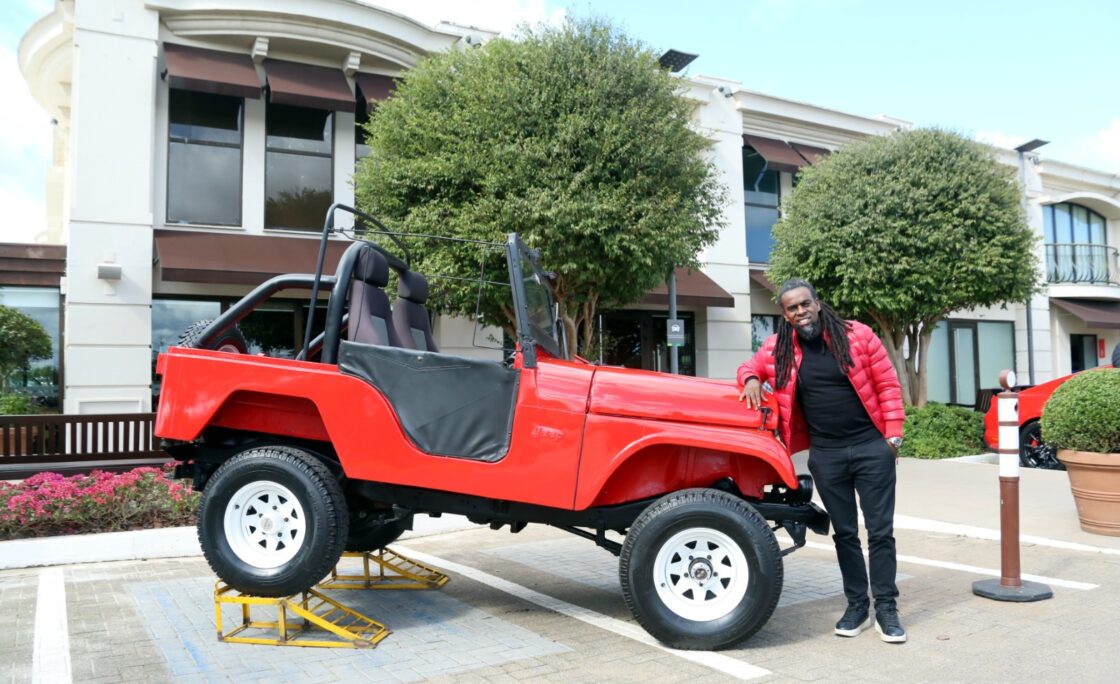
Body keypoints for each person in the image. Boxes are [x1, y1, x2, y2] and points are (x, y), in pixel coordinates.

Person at [738, 278, 907, 644]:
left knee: (880, 532)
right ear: (785, 315)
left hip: (871, 448)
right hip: (827, 455)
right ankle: (858, 606)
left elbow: (888, 385)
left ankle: (888, 609)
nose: (800, 312)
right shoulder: (776, 348)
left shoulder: (858, 336)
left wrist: (892, 439)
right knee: (845, 533)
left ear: (817, 303)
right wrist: (751, 378)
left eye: (805, 304)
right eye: (792, 308)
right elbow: (748, 366)